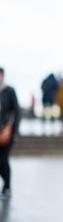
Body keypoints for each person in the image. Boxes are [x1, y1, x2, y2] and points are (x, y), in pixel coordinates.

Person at [0, 67, 20, 200]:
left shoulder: (9, 91)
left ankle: (7, 187)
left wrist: (16, 131)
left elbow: (17, 112)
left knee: (3, 159)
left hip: (6, 132)